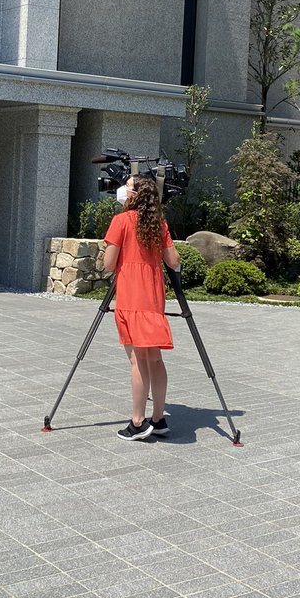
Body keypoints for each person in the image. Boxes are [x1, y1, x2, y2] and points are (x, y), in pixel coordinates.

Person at [103, 174, 181, 440]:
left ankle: (137, 422)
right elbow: (173, 260)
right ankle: (158, 419)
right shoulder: (159, 224)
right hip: (153, 297)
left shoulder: (121, 221)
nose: (123, 190)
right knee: (154, 358)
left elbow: (109, 263)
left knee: (137, 361)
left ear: (134, 195)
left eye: (127, 186)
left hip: (131, 296)